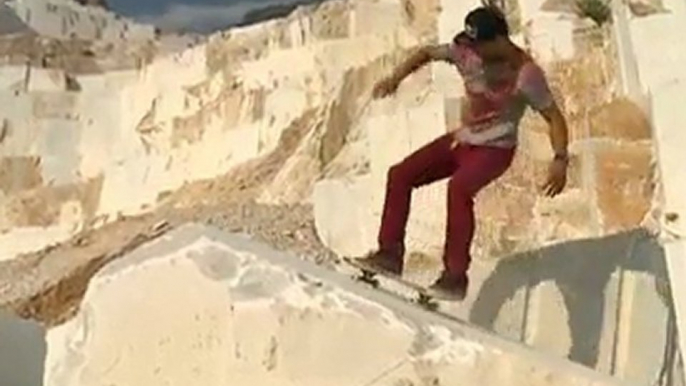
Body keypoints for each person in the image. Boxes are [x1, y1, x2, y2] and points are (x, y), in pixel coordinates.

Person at [356, 6, 570, 300]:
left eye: (481, 44)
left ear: (499, 39)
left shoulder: (526, 74)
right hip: (462, 141)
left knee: (458, 189)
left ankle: (455, 277)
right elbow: (427, 53)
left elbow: (554, 117)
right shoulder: (465, 52)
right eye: (472, 45)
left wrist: (560, 159)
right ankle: (389, 255)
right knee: (400, 174)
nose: (475, 52)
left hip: (494, 151)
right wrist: (395, 78)